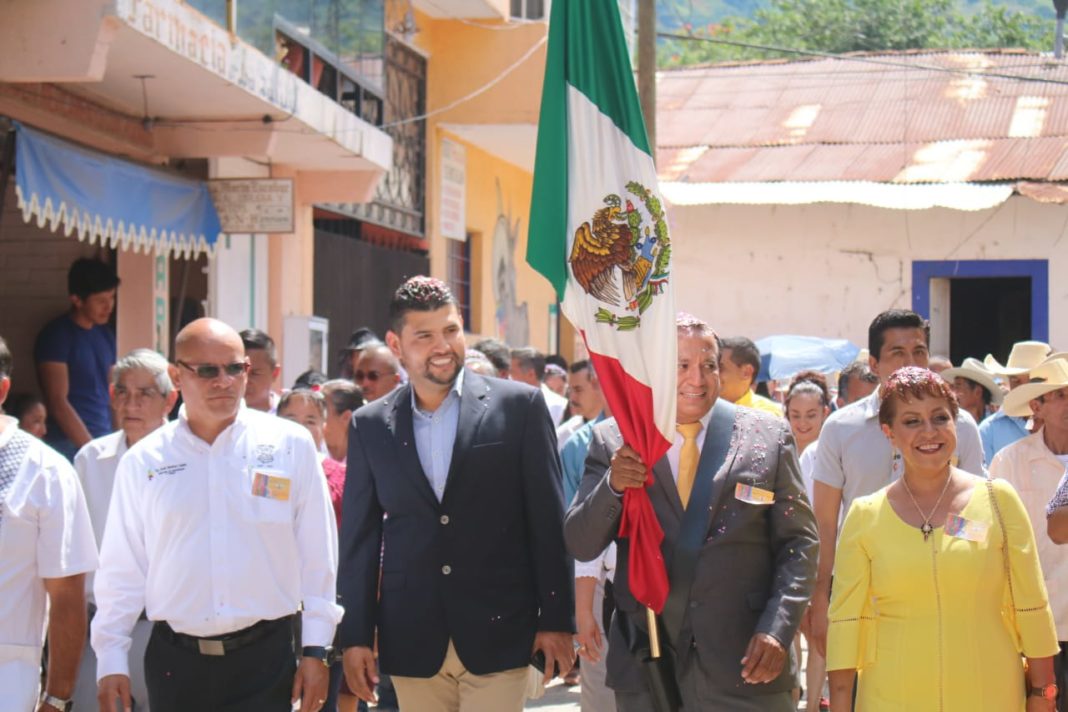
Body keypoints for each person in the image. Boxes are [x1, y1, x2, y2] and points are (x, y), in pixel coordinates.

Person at [338, 277, 574, 712]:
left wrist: (558, 619)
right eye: (424, 336)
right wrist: (354, 636)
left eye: (450, 330)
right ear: (396, 343)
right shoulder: (369, 425)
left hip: (501, 630)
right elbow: (359, 541)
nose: (442, 345)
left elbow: (547, 520)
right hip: (411, 636)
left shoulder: (519, 407)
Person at [564, 313, 818, 711]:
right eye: (681, 365)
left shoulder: (767, 435)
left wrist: (778, 628)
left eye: (709, 365)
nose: (696, 379)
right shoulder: (615, 438)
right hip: (650, 665)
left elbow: (799, 543)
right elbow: (581, 540)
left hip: (747, 665)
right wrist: (613, 485)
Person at [93, 318, 342, 712]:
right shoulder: (144, 461)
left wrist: (317, 649)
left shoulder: (289, 445)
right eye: (207, 370)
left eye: (235, 368)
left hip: (266, 662)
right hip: (176, 666)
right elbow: (121, 571)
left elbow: (318, 557)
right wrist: (110, 660)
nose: (224, 381)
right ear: (176, 376)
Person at [827, 367, 1059, 710]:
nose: (929, 432)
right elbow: (845, 625)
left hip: (989, 690)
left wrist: (1043, 694)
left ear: (956, 423)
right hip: (892, 695)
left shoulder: (998, 500)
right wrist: (841, 703)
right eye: (911, 421)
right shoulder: (865, 515)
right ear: (889, 433)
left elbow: (1032, 605)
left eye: (940, 417)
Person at [808, 309, 985, 657]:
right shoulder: (841, 429)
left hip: (943, 593)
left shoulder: (960, 427)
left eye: (919, 352)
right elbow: (825, 524)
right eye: (897, 353)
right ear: (874, 364)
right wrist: (819, 597)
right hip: (861, 594)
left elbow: (976, 517)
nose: (911, 363)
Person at [69, 348, 178, 712]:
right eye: (122, 392)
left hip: (169, 630)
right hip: (100, 628)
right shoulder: (90, 460)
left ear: (169, 399)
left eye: (145, 393)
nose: (131, 403)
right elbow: (75, 549)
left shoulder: (186, 458)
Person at [0, 334, 98, 711]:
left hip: (9, 676)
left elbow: (67, 595)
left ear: (3, 388)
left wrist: (56, 698)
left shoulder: (46, 471)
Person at [991, 357, 1068, 710]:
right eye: (1061, 395)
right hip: (1036, 622)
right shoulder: (1010, 461)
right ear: (1036, 405)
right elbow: (991, 535)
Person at [35, 257, 120, 460]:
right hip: (67, 444)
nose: (108, 306)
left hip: (104, 438)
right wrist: (90, 450)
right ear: (77, 299)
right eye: (101, 301)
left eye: (112, 298)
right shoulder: (57, 336)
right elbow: (58, 401)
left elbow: (113, 391)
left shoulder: (106, 335)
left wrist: (119, 440)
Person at [783, 371, 832, 711]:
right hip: (784, 557)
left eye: (811, 415)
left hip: (822, 557)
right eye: (795, 415)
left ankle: (813, 704)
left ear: (826, 413)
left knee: (818, 638)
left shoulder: (831, 452)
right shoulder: (776, 447)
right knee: (787, 637)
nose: (803, 423)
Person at [981, 341, 1053, 464]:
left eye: (1034, 381)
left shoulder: (1061, 425)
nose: (1022, 389)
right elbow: (983, 480)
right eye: (1015, 381)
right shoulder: (989, 429)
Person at [718, 336, 783, 416]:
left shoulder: (766, 414)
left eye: (720, 368)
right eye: (710, 366)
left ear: (746, 372)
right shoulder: (703, 409)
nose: (712, 374)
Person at [509, 346, 569, 425]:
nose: (508, 377)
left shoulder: (558, 407)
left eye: (512, 372)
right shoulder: (508, 402)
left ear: (531, 374)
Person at [557, 360, 608, 453]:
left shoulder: (618, 430)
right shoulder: (564, 434)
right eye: (570, 390)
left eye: (578, 390)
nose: (571, 397)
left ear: (596, 384)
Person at [942, 357, 1003, 425]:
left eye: (958, 386)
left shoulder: (995, 425)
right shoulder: (950, 423)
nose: (953, 393)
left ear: (978, 392)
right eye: (953, 387)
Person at [321, 379, 364, 463]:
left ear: (346, 417)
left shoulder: (366, 456)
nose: (317, 417)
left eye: (322, 411)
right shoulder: (310, 449)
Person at [240, 328, 282, 413]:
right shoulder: (216, 419)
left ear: (275, 373)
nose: (245, 380)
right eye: (239, 370)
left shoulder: (289, 417)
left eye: (254, 373)